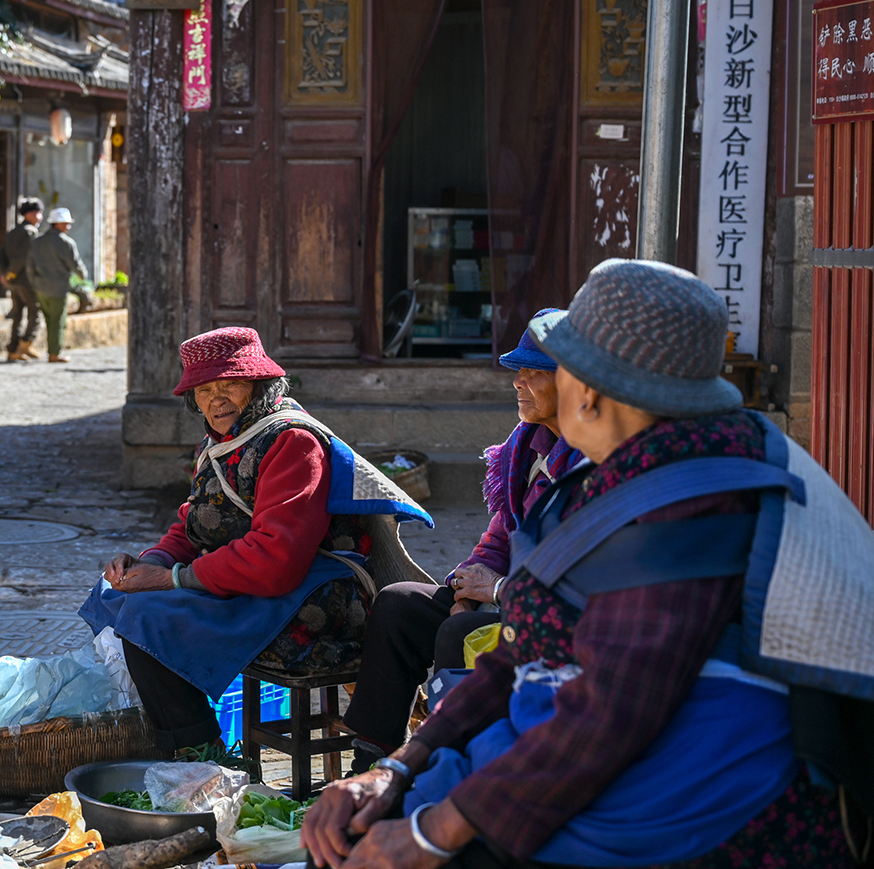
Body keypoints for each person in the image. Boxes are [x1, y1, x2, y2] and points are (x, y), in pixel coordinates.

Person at [302, 259, 866, 869]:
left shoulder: (698, 496)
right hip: (604, 746)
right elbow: (519, 653)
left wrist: (434, 831)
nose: (530, 384)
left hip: (704, 796)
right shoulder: (614, 468)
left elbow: (614, 712)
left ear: (590, 391)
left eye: (557, 369)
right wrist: (397, 769)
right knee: (359, 824)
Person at [79, 327, 431, 753]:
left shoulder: (292, 442)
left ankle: (198, 755)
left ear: (260, 386)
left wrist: (171, 578)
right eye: (204, 390)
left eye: (230, 384)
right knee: (117, 600)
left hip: (315, 593)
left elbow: (276, 558)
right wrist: (145, 563)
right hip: (255, 580)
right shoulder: (217, 445)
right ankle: (192, 752)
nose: (216, 399)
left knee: (149, 617)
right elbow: (193, 525)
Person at [341, 310, 583, 772]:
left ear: (574, 384)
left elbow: (572, 581)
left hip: (551, 617)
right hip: (502, 596)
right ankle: (372, 760)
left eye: (535, 372)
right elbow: (497, 539)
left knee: (457, 633)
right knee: (398, 604)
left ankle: (449, 771)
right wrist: (462, 588)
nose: (519, 382)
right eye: (519, 371)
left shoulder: (590, 464)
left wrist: (492, 592)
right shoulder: (524, 448)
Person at [26, 207, 89, 363]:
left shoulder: (37, 241)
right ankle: (55, 353)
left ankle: (52, 350)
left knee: (49, 320)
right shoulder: (66, 243)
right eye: (66, 224)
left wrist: (34, 283)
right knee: (58, 322)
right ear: (57, 224)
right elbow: (75, 264)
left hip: (40, 288)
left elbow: (29, 265)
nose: (68, 227)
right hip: (58, 288)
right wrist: (83, 277)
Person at [0, 198, 43, 362]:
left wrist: (5, 274)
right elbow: (23, 258)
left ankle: (13, 349)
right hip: (25, 280)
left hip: (13, 282)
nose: (40, 216)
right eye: (38, 213)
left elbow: (0, 256)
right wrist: (11, 273)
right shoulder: (30, 232)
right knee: (35, 312)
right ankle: (25, 343)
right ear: (29, 214)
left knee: (17, 315)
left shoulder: (13, 231)